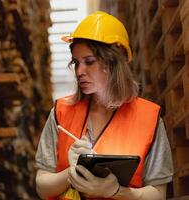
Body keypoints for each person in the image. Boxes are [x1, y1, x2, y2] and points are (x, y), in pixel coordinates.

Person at [35, 11, 173, 200]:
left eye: (89, 62)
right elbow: (42, 186)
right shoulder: (61, 112)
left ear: (115, 62)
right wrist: (71, 173)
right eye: (76, 63)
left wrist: (116, 192)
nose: (79, 71)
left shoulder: (148, 118)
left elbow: (158, 194)